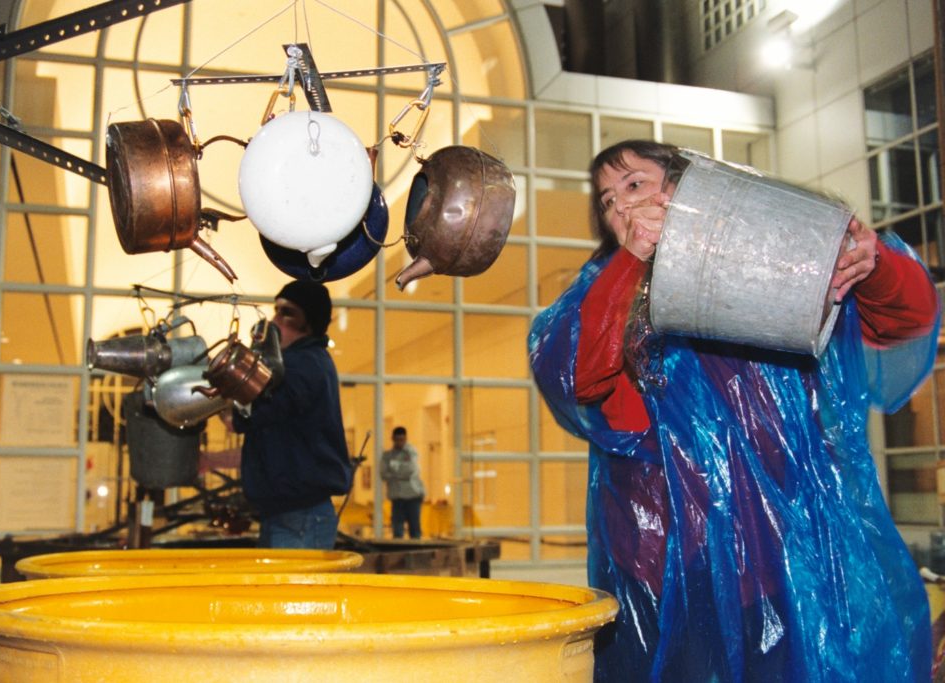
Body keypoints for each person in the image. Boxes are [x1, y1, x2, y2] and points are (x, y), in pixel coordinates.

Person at [528, 139, 941, 682]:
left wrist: (874, 263)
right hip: (667, 568)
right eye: (608, 202)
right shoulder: (606, 287)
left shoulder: (766, 256)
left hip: (781, 554)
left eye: (636, 185)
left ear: (685, 187)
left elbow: (904, 318)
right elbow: (575, 369)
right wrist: (636, 261)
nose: (623, 207)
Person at [233, 280, 352, 549]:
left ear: (308, 322)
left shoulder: (302, 365)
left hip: (299, 518)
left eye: (287, 313)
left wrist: (236, 389)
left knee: (294, 592)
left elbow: (254, 415)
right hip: (292, 515)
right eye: (276, 311)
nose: (275, 321)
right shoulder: (307, 363)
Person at [380, 426, 425, 539]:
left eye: (402, 439)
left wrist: (395, 471)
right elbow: (384, 474)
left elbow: (411, 470)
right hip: (397, 498)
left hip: (413, 496)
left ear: (406, 439)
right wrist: (402, 472)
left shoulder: (411, 452)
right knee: (397, 531)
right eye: (397, 439)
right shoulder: (387, 456)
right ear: (393, 439)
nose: (400, 442)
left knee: (415, 531)